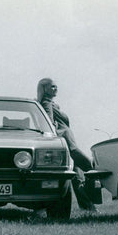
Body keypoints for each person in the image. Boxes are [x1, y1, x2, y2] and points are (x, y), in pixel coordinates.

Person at [36, 78, 96, 212]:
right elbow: (49, 123)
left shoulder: (51, 103)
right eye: (52, 87)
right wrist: (59, 132)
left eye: (56, 86)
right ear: (44, 88)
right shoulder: (46, 103)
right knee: (91, 169)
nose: (55, 89)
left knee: (77, 177)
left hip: (69, 143)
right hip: (69, 146)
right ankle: (89, 206)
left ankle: (88, 208)